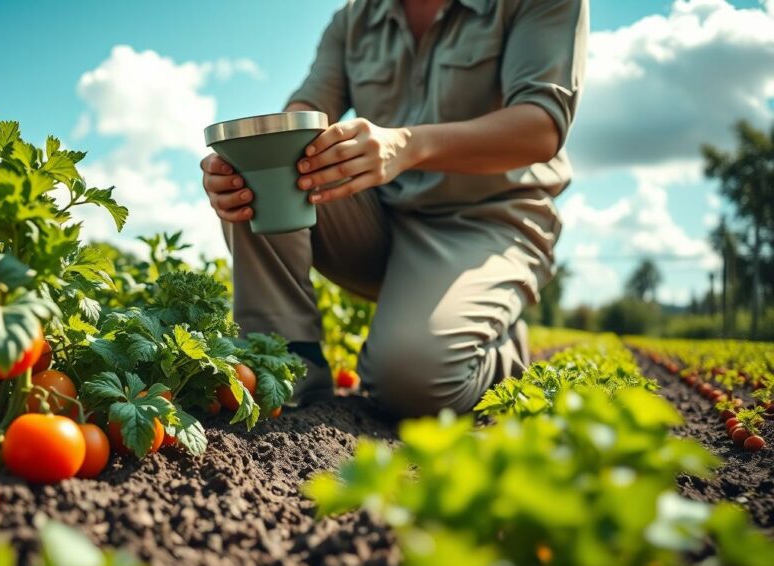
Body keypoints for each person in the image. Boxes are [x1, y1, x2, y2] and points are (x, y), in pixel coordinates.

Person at [200, 0, 588, 417]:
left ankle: (497, 343)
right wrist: (250, 160)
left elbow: (541, 128)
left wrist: (407, 144)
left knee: (414, 384)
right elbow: (306, 111)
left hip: (487, 222)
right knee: (259, 172)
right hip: (380, 219)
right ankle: (286, 368)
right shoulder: (354, 19)